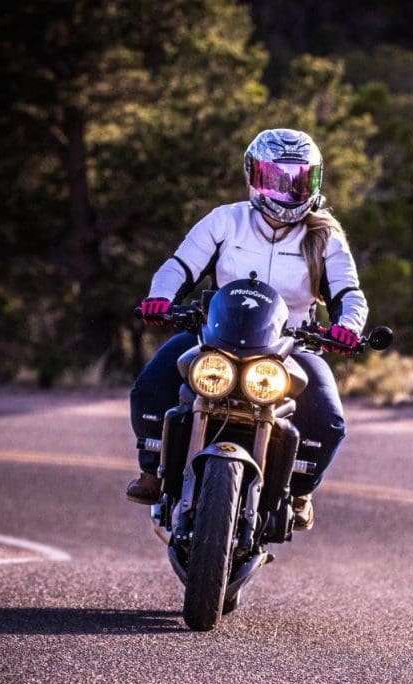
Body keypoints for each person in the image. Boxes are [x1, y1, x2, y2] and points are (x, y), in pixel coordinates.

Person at [126, 128, 368, 530]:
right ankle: (153, 469)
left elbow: (349, 293)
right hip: (214, 336)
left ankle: (300, 491)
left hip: (293, 344)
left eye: (298, 180)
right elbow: (179, 266)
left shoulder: (325, 236)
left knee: (329, 419)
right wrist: (160, 297)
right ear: (255, 177)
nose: (288, 191)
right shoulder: (225, 220)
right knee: (150, 386)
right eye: (277, 179)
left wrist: (347, 327)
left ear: (315, 180)